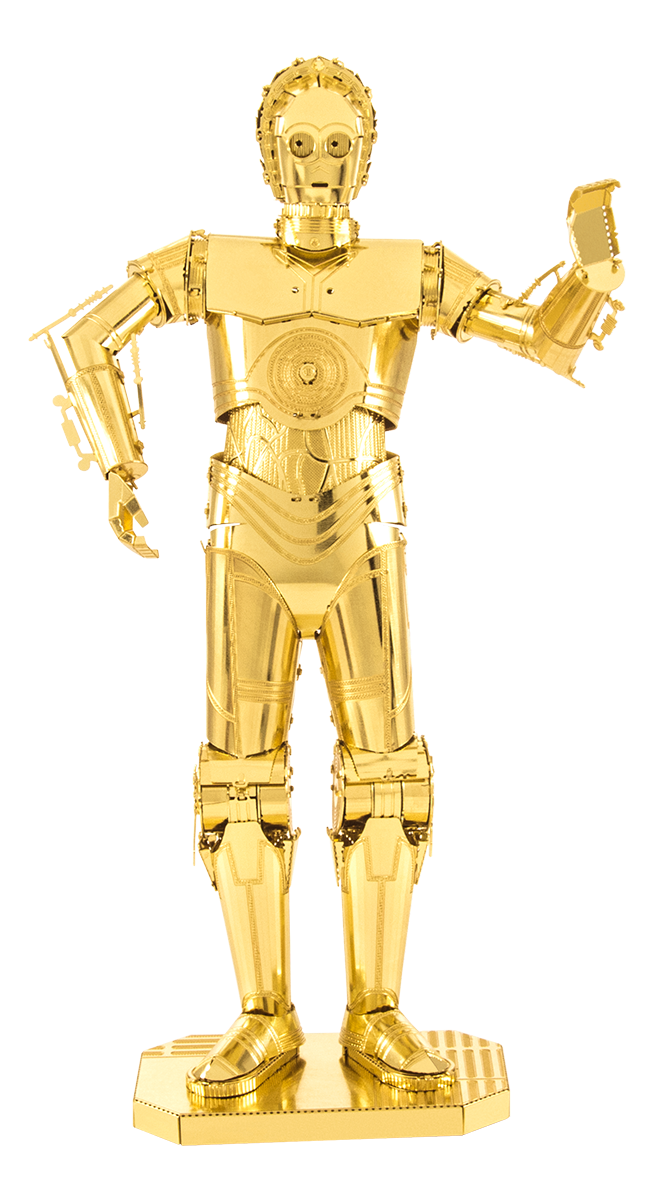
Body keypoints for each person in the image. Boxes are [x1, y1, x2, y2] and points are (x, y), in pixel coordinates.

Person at [42, 56, 625, 1100]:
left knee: (388, 775)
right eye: (300, 145)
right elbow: (82, 338)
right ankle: (262, 1016)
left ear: (367, 157)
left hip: (364, 534)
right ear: (269, 157)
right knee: (239, 780)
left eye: (338, 145)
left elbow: (539, 336)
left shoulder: (412, 270)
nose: (319, 166)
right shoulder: (210, 263)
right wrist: (118, 465)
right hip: (246, 537)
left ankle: (376, 1011)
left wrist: (590, 274)